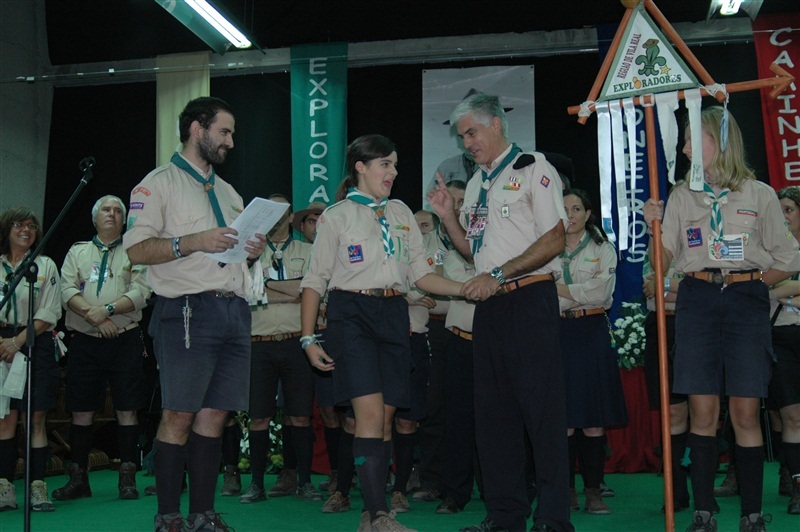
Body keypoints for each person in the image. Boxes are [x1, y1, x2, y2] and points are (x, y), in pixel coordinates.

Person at [643, 106, 800, 532]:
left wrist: (752, 284)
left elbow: (789, 257)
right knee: (703, 412)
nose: (686, 147)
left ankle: (752, 513)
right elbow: (663, 262)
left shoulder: (760, 194)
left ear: (722, 142)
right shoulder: (680, 195)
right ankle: (704, 512)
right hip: (696, 298)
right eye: (685, 140)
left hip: (746, 300)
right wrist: (654, 230)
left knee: (747, 412)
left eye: (695, 139)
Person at [300, 134, 464, 532]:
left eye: (394, 165)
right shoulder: (336, 216)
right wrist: (307, 338)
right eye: (384, 164)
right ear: (361, 167)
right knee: (369, 417)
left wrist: (465, 289)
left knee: (386, 419)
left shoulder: (401, 213)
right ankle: (378, 514)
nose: (392, 172)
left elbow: (422, 275)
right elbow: (314, 280)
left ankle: (370, 512)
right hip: (351, 313)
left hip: (394, 312)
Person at [428, 92, 574, 532]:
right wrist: (448, 217)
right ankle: (505, 515)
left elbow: (555, 238)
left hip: (529, 299)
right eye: (461, 136)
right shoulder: (475, 184)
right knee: (493, 416)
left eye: (471, 132)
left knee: (541, 413)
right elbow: (475, 254)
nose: (466, 143)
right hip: (490, 308)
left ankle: (552, 517)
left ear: (496, 125)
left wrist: (500, 274)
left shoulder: (534, 167)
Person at [124, 96, 266, 532]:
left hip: (233, 311)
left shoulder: (229, 192)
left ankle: (202, 513)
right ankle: (168, 516)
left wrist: (252, 249)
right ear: (197, 128)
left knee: (215, 415)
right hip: (185, 310)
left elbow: (235, 250)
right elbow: (136, 250)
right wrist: (193, 241)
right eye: (225, 132)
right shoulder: (156, 184)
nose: (231, 142)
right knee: (180, 414)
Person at [55, 195, 150, 502]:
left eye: (117, 210)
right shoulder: (78, 251)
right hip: (84, 341)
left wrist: (105, 310)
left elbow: (142, 292)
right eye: (105, 210)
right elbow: (67, 288)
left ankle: (127, 479)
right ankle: (78, 479)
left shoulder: (136, 251)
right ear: (94, 218)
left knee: (127, 410)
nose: (112, 213)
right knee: (81, 411)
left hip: (125, 340)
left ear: (124, 219)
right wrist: (93, 318)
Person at [239, 194, 321, 504]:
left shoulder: (308, 251)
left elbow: (310, 290)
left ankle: (304, 482)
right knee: (258, 417)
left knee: (299, 416)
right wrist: (290, 291)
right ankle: (256, 484)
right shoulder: (247, 253)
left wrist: (264, 285)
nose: (274, 218)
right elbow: (245, 293)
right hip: (258, 344)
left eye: (281, 212)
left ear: (290, 218)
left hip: (296, 342)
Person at [556, 188, 627, 515]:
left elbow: (601, 294)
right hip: (557, 334)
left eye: (576, 209)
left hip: (592, 332)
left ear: (588, 214)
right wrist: (576, 293)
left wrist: (559, 289)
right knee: (564, 419)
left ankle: (594, 490)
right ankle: (567, 489)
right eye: (565, 208)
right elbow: (541, 295)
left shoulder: (604, 248)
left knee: (594, 419)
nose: (570, 215)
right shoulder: (546, 251)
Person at [0, 207, 61, 512]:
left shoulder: (45, 266)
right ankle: (4, 487)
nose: (26, 230)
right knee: (5, 420)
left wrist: (17, 342)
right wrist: (4, 344)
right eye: (19, 225)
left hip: (35, 345)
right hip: (2, 346)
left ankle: (38, 488)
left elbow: (48, 313)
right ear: (6, 229)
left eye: (32, 226)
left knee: (35, 418)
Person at [767, 186, 800, 515]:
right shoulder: (769, 251)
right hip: (779, 336)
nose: (784, 217)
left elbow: (782, 289)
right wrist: (786, 291)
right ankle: (798, 489)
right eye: (779, 211)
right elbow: (768, 290)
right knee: (792, 416)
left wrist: (788, 291)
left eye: (789, 209)